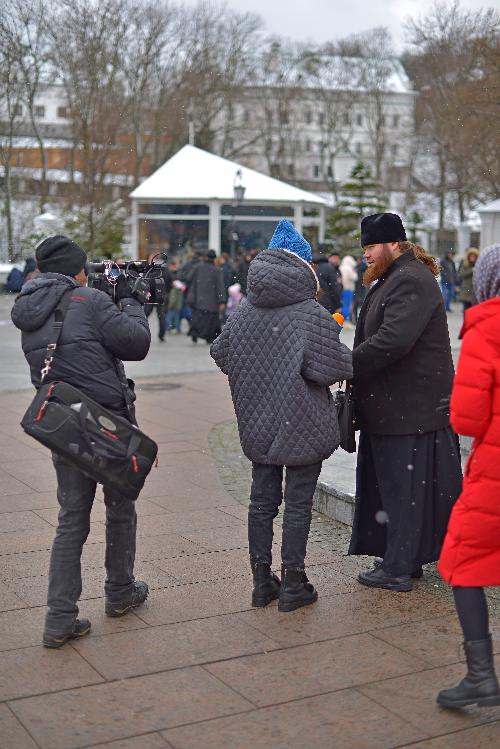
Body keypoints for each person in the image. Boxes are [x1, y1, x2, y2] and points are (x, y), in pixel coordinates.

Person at [11, 235, 151, 647]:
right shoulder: (87, 301)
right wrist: (130, 301)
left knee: (71, 518)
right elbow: (136, 343)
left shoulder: (29, 309)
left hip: (63, 421)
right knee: (120, 505)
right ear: (77, 269)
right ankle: (120, 592)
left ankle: (59, 618)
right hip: (107, 422)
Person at [211, 219, 352, 612]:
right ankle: (293, 583)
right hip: (302, 421)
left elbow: (220, 353)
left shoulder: (243, 311)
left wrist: (258, 373)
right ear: (303, 267)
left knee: (262, 502)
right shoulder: (309, 312)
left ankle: (261, 581)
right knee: (298, 503)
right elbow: (333, 369)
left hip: (258, 421)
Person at [348, 213, 462, 592]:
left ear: (394, 243)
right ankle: (402, 559)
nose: (365, 254)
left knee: (403, 491)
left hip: (407, 409)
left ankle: (398, 567)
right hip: (401, 408)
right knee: (400, 490)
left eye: (370, 246)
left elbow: (394, 340)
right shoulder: (399, 277)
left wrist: (346, 362)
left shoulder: (409, 280)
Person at [436, 244, 500, 709]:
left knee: (463, 562)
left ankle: (481, 677)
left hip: (495, 473)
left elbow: (468, 420)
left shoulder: (487, 328)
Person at [187, 249, 226, 343]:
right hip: (212, 302)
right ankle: (209, 337)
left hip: (198, 299)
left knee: (197, 319)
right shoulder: (217, 270)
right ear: (214, 259)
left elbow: (188, 278)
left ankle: (195, 334)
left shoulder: (197, 267)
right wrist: (222, 300)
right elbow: (220, 286)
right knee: (211, 322)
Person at [144, 253, 172, 342]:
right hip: (160, 295)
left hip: (152, 296)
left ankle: (140, 330)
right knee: (160, 316)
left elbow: (145, 282)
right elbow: (169, 282)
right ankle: (161, 335)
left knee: (146, 315)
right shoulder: (164, 269)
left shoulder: (149, 270)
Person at [458, 247, 479, 314]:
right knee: (466, 310)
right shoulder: (465, 264)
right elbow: (461, 274)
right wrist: (471, 270)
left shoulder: (478, 264)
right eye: (471, 256)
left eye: (474, 256)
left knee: (473, 311)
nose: (473, 258)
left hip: (475, 291)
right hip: (466, 290)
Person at [339, 254, 358, 321]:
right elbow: (355, 277)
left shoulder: (341, 267)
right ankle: (346, 319)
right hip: (349, 288)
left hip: (342, 288)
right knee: (347, 304)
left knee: (343, 303)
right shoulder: (349, 268)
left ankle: (342, 318)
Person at [352, 256, 367, 323]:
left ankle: (359, 320)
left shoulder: (362, 267)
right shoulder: (356, 267)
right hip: (358, 287)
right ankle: (356, 320)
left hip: (361, 287)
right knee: (356, 305)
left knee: (360, 304)